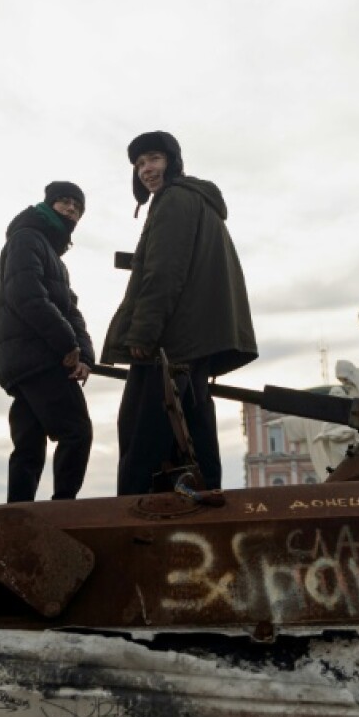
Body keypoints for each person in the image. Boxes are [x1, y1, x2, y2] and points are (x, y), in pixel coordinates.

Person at [103, 131, 257, 495]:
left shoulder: (174, 200)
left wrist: (142, 334)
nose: (145, 170)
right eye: (139, 164)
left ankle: (134, 521)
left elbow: (164, 272)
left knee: (142, 437)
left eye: (153, 159)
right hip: (197, 342)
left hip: (171, 343)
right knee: (196, 433)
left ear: (172, 161)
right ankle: (204, 510)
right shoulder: (199, 202)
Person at [0, 181, 94, 502]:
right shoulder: (27, 239)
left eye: (77, 207)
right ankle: (63, 508)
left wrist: (86, 355)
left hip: (22, 359)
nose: (71, 209)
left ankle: (18, 512)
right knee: (76, 431)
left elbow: (71, 309)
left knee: (28, 444)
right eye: (64, 202)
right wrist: (67, 346)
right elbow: (26, 295)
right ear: (48, 205)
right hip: (38, 357)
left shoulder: (53, 257)